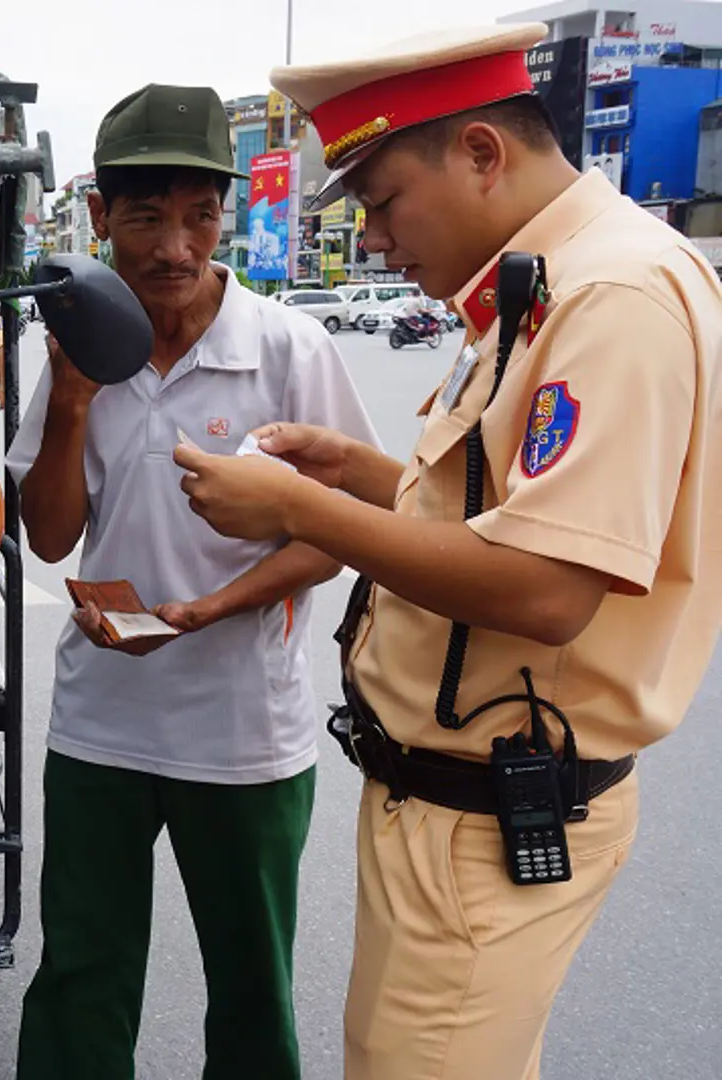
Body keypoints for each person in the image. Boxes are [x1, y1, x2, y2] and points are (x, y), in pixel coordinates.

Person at [172, 23, 722, 1080]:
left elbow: (548, 587)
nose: (374, 239)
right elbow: (498, 514)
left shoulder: (607, 294)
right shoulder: (548, 278)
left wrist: (300, 511)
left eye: (381, 201)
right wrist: (353, 471)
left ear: (480, 151)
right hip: (451, 804)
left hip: (490, 813)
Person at [7, 85, 380, 1080]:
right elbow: (49, 540)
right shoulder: (77, 351)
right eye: (145, 217)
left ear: (227, 214)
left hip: (242, 734)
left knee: (253, 985)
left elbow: (348, 535)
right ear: (97, 217)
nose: (174, 246)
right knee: (80, 973)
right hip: (101, 726)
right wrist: (73, 406)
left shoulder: (285, 347)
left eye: (200, 216)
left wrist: (212, 608)